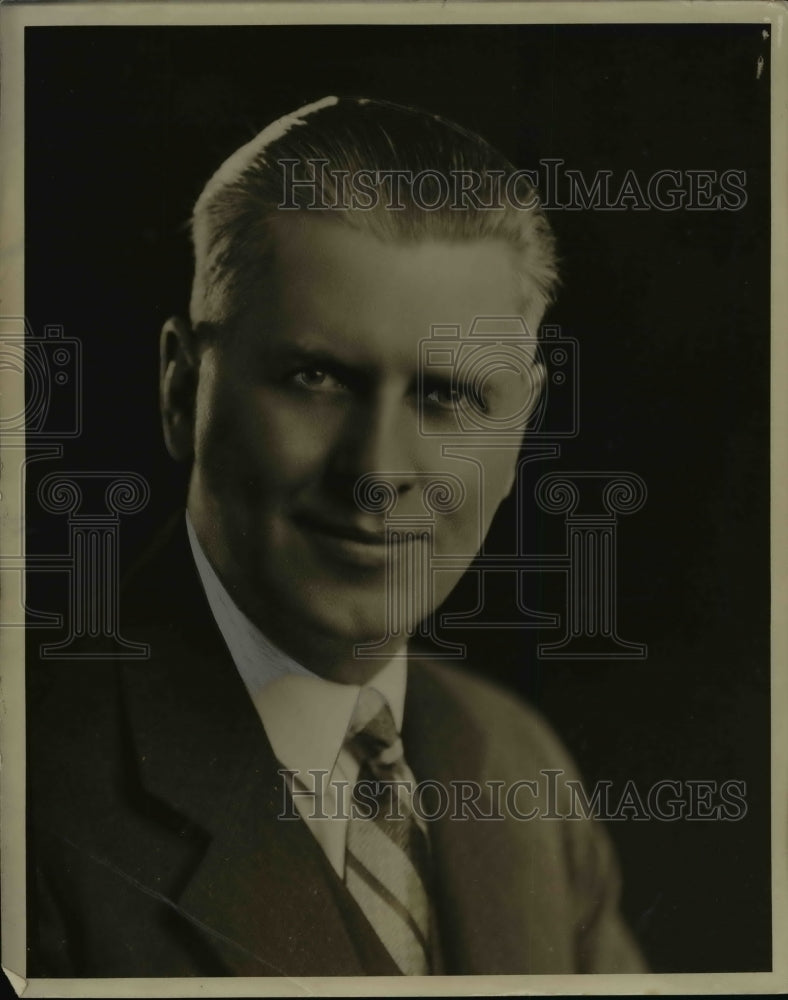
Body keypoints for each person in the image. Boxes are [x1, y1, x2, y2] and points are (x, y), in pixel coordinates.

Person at [27, 96, 646, 977]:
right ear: (181, 392)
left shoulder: (519, 767)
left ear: (522, 431)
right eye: (315, 378)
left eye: (448, 395)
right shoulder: (30, 797)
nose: (377, 471)